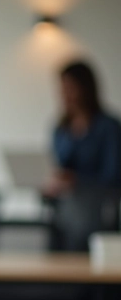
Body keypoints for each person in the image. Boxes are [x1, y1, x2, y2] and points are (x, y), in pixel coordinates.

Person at [47, 60, 121, 197]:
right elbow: (57, 166)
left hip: (99, 204)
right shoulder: (61, 129)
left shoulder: (108, 127)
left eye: (70, 88)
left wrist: (78, 180)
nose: (64, 94)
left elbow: (113, 175)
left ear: (85, 89)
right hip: (65, 204)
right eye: (62, 88)